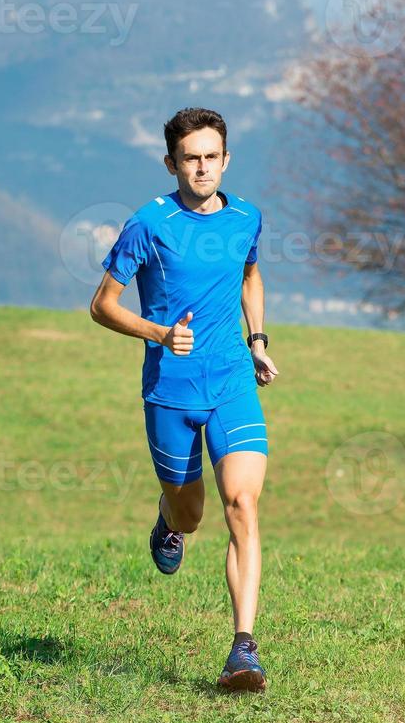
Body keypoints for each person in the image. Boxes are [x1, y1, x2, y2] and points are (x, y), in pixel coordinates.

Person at [89, 106, 280, 692]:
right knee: (191, 514)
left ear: (226, 159)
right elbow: (102, 305)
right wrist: (160, 333)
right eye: (190, 159)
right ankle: (168, 521)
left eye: (211, 157)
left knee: (242, 505)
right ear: (171, 163)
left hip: (231, 383)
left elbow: (250, 276)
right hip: (169, 390)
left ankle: (243, 649)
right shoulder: (148, 224)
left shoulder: (247, 217)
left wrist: (258, 340)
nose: (202, 168)